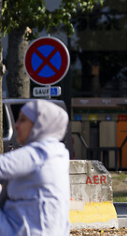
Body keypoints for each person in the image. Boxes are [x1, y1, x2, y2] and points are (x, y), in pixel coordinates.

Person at [0, 100, 71, 235]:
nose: (16, 125)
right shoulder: (58, 152)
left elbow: (2, 166)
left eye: (23, 120)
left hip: (27, 230)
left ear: (40, 124)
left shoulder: (41, 152)